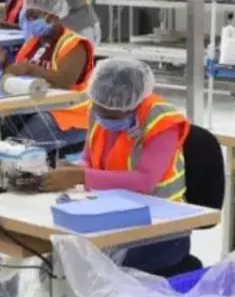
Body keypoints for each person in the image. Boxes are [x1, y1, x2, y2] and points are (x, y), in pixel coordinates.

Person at [40, 57, 191, 273]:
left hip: (162, 229)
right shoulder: (97, 110)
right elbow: (89, 158)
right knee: (58, 257)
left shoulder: (162, 122)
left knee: (90, 269)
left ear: (135, 103)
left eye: (112, 113)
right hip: (111, 216)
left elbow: (145, 181)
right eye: (99, 109)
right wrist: (74, 168)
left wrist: (81, 176)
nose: (103, 117)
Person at [0, 0, 94, 152]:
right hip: (36, 105)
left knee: (22, 145)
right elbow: (17, 73)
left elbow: (65, 82)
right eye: (27, 17)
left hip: (69, 112)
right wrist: (4, 62)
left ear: (53, 17)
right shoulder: (33, 42)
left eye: (34, 17)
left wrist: (31, 69)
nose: (29, 22)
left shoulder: (75, 44)